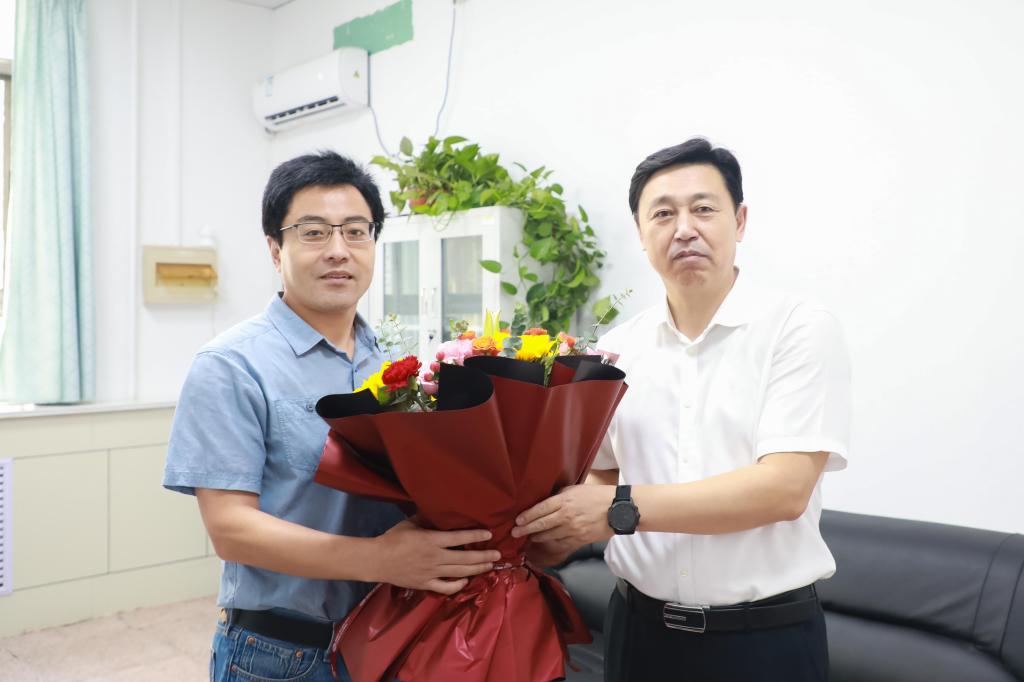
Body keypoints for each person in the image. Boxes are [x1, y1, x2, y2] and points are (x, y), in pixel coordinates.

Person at [513, 138, 850, 681]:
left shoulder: (798, 329)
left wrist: (617, 509)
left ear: (739, 221)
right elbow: (603, 473)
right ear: (641, 233)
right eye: (663, 214)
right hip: (639, 635)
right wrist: (553, 526)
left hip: (764, 642)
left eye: (703, 208)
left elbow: (784, 489)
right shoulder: (615, 352)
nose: (684, 228)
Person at [163, 151, 500, 682]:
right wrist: (380, 560)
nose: (339, 250)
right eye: (314, 232)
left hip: (395, 637)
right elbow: (231, 530)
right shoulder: (230, 365)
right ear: (276, 249)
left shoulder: (395, 364)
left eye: (356, 232)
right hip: (281, 654)